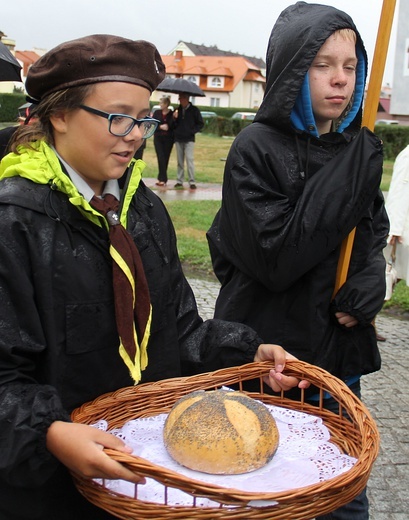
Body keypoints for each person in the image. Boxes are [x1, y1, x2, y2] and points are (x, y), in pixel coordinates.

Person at [0, 34, 307, 520]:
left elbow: (175, 330)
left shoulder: (143, 210)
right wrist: (50, 434)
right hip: (50, 489)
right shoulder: (13, 221)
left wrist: (246, 351)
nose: (137, 135)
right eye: (118, 117)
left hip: (149, 476)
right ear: (58, 115)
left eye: (143, 119)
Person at [207, 3, 389, 519]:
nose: (340, 80)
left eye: (351, 66)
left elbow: (370, 231)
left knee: (343, 495)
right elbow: (276, 256)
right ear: (291, 70)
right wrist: (349, 177)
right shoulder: (255, 149)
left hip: (336, 359)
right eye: (322, 64)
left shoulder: (354, 145)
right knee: (263, 494)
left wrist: (370, 281)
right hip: (272, 362)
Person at [384, 144, 409, 284]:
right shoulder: (408, 156)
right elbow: (400, 190)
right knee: (390, 273)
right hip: (402, 229)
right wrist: (394, 227)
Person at [172, 92, 204, 189]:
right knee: (180, 161)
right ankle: (179, 180)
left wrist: (192, 131)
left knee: (189, 160)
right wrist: (174, 118)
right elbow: (173, 125)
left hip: (189, 139)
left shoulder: (194, 110)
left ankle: (192, 181)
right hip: (178, 138)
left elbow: (200, 123)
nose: (179, 100)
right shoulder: (177, 110)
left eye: (181, 98)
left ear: (186, 99)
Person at [152, 96, 174, 186]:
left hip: (168, 139)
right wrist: (160, 126)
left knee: (165, 158)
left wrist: (173, 120)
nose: (160, 105)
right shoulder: (157, 113)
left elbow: (174, 126)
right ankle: (162, 179)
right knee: (160, 157)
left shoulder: (172, 114)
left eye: (162, 103)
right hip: (158, 138)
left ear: (166, 104)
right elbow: (153, 123)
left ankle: (162, 178)